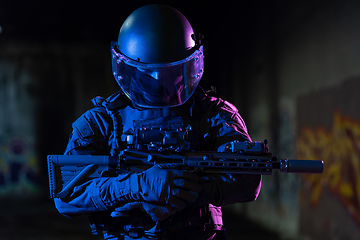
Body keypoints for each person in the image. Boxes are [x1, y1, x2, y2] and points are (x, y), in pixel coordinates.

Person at [54, 4, 261, 240]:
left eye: (170, 72)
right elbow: (67, 195)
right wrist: (137, 187)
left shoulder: (214, 114)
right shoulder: (100, 122)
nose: (159, 81)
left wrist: (180, 190)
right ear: (128, 68)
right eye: (149, 73)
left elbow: (247, 179)